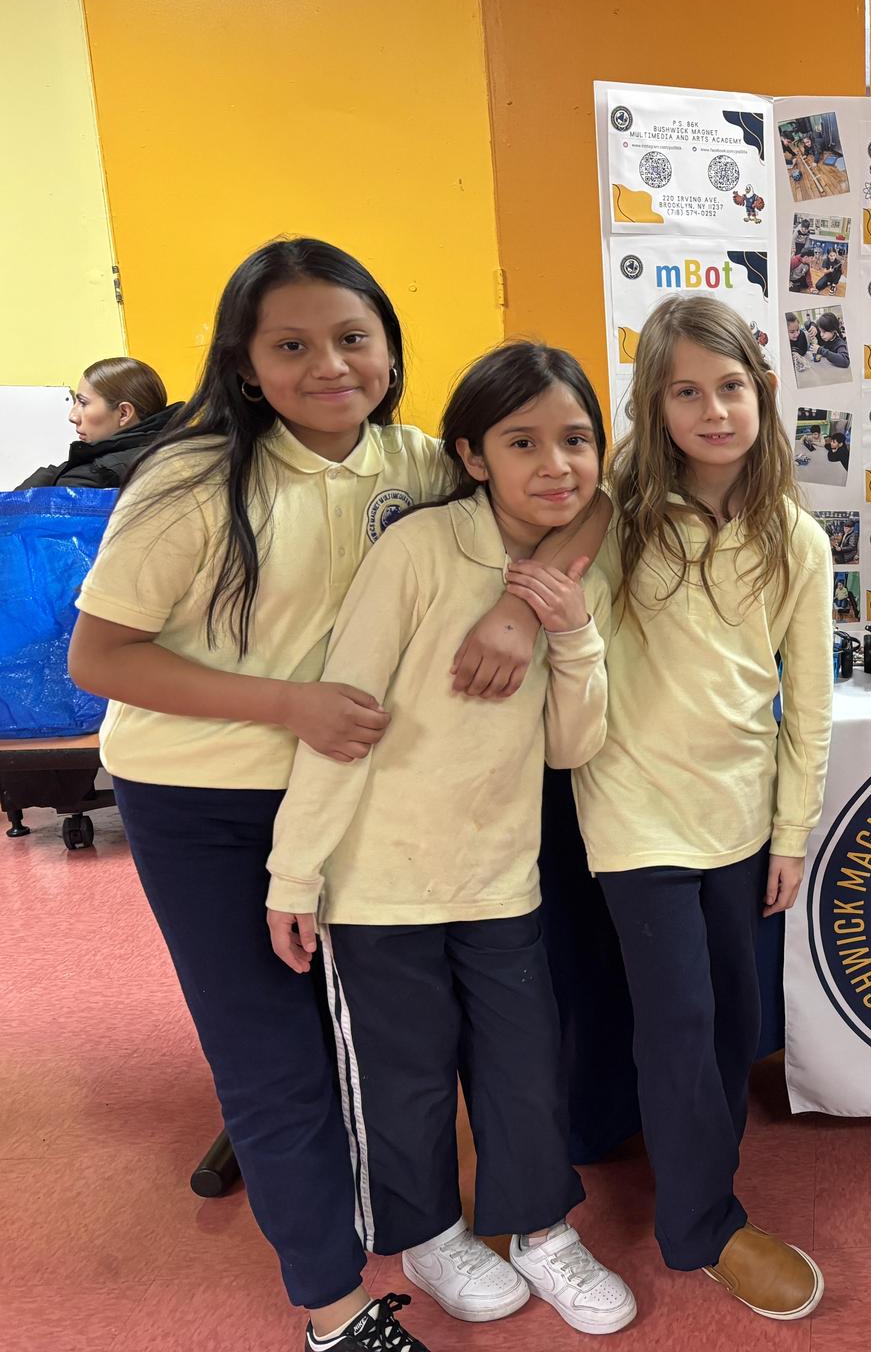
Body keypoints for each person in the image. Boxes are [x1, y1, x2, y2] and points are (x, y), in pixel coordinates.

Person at [66, 238, 603, 1352]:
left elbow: (584, 497)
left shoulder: (412, 461)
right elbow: (100, 658)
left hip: (360, 792)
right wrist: (287, 706)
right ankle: (330, 1300)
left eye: (353, 338)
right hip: (209, 796)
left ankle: (425, 1221)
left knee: (385, 1043)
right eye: (293, 345)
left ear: (391, 351)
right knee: (275, 1051)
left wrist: (517, 612)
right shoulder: (192, 479)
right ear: (245, 362)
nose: (330, 366)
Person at [264, 341, 636, 1335]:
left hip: (499, 878)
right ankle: (427, 1234)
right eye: (525, 443)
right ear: (471, 455)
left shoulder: (568, 573)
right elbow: (341, 719)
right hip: (380, 882)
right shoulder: (421, 550)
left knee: (524, 1060)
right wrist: (294, 873)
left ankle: (541, 1229)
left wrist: (571, 636)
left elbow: (571, 746)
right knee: (409, 1072)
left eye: (577, 441)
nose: (557, 465)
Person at [575, 295, 831, 1320]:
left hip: (740, 814)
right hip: (634, 810)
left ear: (761, 395)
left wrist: (792, 833)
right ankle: (699, 1223)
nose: (713, 410)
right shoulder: (613, 519)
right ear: (655, 403)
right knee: (679, 1019)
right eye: (686, 391)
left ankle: (691, 1169)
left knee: (731, 1022)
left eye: (730, 387)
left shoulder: (794, 536)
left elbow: (805, 704)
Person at [17, 356, 178, 489]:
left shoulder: (91, 480)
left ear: (124, 413)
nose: (72, 416)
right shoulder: (179, 453)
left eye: (83, 403)